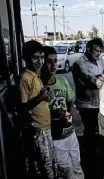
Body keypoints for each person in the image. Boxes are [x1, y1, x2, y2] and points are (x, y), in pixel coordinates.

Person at [41, 46, 84, 179]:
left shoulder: (62, 81)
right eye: (49, 61)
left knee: (77, 166)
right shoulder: (39, 86)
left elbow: (70, 101)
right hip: (55, 137)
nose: (54, 65)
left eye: (55, 61)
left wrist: (69, 114)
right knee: (66, 171)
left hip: (70, 133)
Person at [19, 40, 56, 178]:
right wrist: (41, 97)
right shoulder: (25, 78)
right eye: (35, 58)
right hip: (37, 130)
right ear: (26, 59)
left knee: (50, 164)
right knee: (43, 168)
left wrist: (46, 96)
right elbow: (23, 107)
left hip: (45, 127)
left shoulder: (36, 75)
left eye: (42, 57)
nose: (40, 61)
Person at [72, 37, 104, 178]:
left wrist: (103, 76)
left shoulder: (99, 60)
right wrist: (101, 78)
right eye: (96, 51)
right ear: (88, 49)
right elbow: (94, 82)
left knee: (97, 129)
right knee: (89, 130)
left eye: (100, 51)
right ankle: (87, 160)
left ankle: (95, 156)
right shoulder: (79, 64)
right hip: (86, 104)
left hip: (99, 102)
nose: (98, 54)